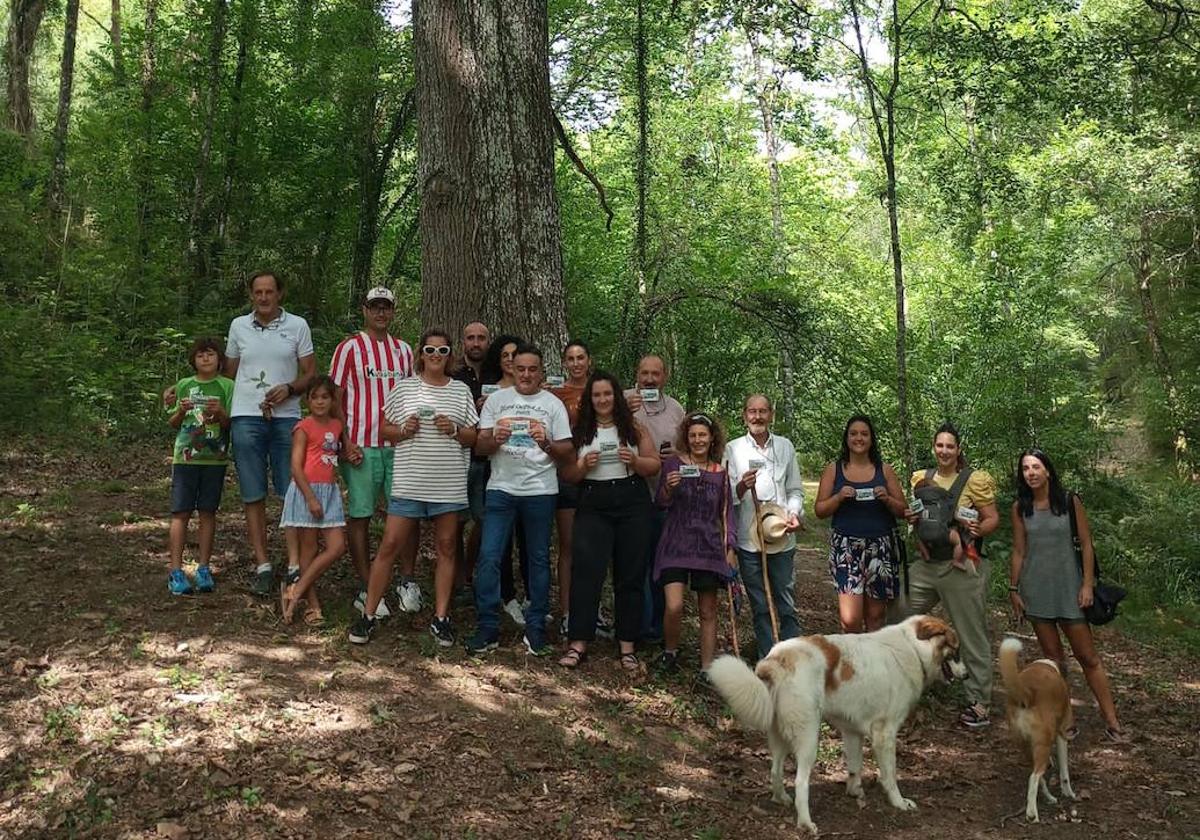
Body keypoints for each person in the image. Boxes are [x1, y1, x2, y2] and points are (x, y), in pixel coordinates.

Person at [349, 329, 479, 647]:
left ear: (450, 355)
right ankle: (368, 615)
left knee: (447, 547)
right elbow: (385, 429)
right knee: (390, 545)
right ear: (420, 354)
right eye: (430, 350)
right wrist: (403, 430)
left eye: (443, 350)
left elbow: (474, 437)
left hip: (447, 484)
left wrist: (456, 429)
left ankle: (441, 618)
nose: (436, 356)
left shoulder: (460, 390)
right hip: (409, 482)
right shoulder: (404, 388)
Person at [1009, 449, 1127, 742]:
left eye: (1036, 467)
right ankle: (1068, 721)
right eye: (1025, 469)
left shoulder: (1069, 501)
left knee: (1088, 657)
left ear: (1048, 471)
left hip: (1070, 591)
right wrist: (1013, 589)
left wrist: (1087, 584)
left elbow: (1086, 544)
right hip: (1037, 591)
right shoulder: (1020, 507)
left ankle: (1112, 720)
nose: (1031, 473)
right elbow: (1019, 551)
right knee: (1054, 660)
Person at [466, 344, 574, 656]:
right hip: (501, 489)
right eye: (520, 368)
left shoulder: (552, 405)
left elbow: (567, 453)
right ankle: (487, 626)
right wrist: (492, 439)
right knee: (489, 557)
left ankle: (536, 626)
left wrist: (547, 442)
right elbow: (481, 449)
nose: (526, 374)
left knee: (538, 559)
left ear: (541, 372)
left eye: (532, 369)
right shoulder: (496, 402)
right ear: (512, 369)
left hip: (541, 491)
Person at [557, 372, 660, 670]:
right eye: (597, 395)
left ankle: (627, 645)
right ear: (590, 400)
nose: (602, 400)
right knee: (586, 573)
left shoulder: (633, 428)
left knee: (630, 575)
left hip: (632, 501)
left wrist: (636, 462)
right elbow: (568, 476)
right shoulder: (581, 431)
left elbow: (654, 465)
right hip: (593, 502)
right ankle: (578, 642)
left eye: (607, 394)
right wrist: (581, 465)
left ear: (616, 397)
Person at [226, 270, 315, 597]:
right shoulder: (238, 326)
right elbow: (228, 375)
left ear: (280, 294)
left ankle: (294, 564)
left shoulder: (297, 326)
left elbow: (310, 373)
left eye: (269, 292)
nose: (263, 297)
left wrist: (290, 388)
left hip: (285, 419)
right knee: (253, 493)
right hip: (246, 416)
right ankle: (263, 564)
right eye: (258, 292)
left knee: (290, 490)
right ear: (251, 295)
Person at [904, 422, 999, 729]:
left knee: (971, 634)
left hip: (960, 566)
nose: (944, 451)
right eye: (939, 445)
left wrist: (976, 530)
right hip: (927, 564)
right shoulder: (922, 478)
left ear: (958, 450)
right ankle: (908, 679)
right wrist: (914, 525)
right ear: (934, 447)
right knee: (897, 613)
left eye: (950, 446)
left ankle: (979, 701)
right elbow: (917, 516)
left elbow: (991, 518)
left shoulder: (974, 480)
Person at [329, 286, 415, 619]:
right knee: (361, 513)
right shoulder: (349, 349)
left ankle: (407, 581)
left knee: (405, 513)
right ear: (365, 310)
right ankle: (367, 585)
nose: (381, 313)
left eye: (386, 307)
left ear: (393, 311)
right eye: (375, 307)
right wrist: (345, 441)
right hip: (361, 445)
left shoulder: (404, 351)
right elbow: (335, 398)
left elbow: (411, 395)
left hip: (399, 445)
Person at [652, 413, 737, 672]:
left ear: (712, 439)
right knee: (674, 605)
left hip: (708, 547)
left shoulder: (721, 472)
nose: (698, 440)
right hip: (675, 543)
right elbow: (660, 502)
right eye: (693, 435)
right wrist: (668, 487)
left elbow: (727, 513)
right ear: (686, 439)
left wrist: (730, 547)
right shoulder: (674, 465)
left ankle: (707, 667)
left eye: (702, 435)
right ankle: (670, 652)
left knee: (708, 611)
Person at [724, 394, 804, 659]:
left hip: (780, 536)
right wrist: (741, 487)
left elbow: (794, 489)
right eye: (752, 411)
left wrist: (793, 515)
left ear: (771, 414)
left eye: (762, 411)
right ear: (744, 415)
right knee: (759, 603)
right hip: (749, 540)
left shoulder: (785, 447)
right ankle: (768, 658)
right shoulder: (732, 449)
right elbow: (728, 496)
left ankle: (793, 657)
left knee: (785, 600)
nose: (757, 417)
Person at [813, 415, 907, 633]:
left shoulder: (885, 470)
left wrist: (887, 499)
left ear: (872, 439)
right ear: (846, 439)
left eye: (864, 434)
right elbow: (819, 510)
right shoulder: (833, 470)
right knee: (850, 620)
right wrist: (838, 498)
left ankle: (873, 665)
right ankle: (853, 663)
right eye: (853, 434)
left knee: (876, 617)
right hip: (846, 548)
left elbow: (903, 510)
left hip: (880, 547)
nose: (859, 438)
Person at [165, 337, 234, 595]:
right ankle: (175, 570)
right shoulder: (184, 385)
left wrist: (220, 414)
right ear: (193, 360)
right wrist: (181, 412)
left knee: (207, 512)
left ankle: (204, 568)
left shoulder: (227, 386)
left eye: (210, 354)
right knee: (180, 512)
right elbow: (172, 422)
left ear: (220, 359)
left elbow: (230, 424)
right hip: (185, 458)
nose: (205, 359)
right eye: (200, 355)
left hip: (214, 459)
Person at [625, 355, 686, 644]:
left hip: (665, 498)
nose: (649, 379)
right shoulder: (623, 400)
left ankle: (660, 628)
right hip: (630, 496)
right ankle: (637, 628)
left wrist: (675, 456)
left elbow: (689, 452)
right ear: (636, 374)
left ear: (665, 376)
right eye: (644, 373)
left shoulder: (675, 409)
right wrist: (624, 412)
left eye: (655, 374)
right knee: (634, 565)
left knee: (662, 565)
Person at [278, 376, 346, 624]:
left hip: (329, 491)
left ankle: (296, 588)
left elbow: (339, 453)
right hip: (307, 491)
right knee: (310, 549)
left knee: (337, 546)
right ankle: (311, 604)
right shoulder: (303, 427)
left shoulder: (337, 425)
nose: (320, 402)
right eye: (315, 397)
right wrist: (310, 498)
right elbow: (296, 466)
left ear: (332, 400)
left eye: (325, 397)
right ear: (307, 400)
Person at [548, 339, 599, 636]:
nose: (576, 363)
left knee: (594, 548)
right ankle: (567, 612)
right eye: (571, 358)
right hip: (566, 474)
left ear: (588, 361)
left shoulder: (601, 391)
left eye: (581, 357)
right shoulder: (555, 393)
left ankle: (592, 611)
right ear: (565, 362)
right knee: (568, 546)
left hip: (597, 475)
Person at [480, 334, 530, 627]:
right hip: (498, 472)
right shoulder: (492, 395)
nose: (511, 360)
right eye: (505, 355)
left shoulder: (535, 392)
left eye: (516, 354)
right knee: (501, 539)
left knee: (529, 539)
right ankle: (506, 595)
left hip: (533, 477)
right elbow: (480, 436)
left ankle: (530, 598)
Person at [452, 322, 490, 596]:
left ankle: (469, 568)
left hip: (489, 459)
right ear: (463, 342)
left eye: (481, 338)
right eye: (471, 338)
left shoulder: (497, 372)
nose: (476, 343)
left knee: (485, 520)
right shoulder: (452, 373)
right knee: (455, 521)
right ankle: (457, 579)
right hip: (458, 457)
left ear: (488, 341)